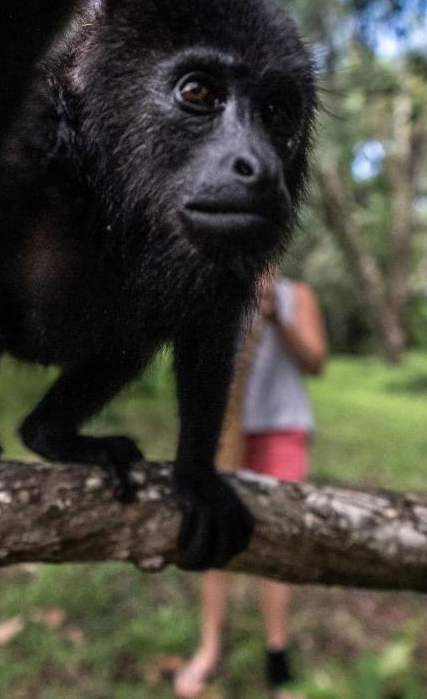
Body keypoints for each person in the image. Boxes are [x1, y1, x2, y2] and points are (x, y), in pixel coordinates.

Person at [173, 269, 327, 699]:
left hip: (282, 430)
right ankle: (209, 648)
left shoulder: (298, 294)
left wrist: (277, 315)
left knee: (277, 543)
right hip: (224, 431)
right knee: (216, 538)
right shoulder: (212, 287)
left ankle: (277, 652)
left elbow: (315, 362)